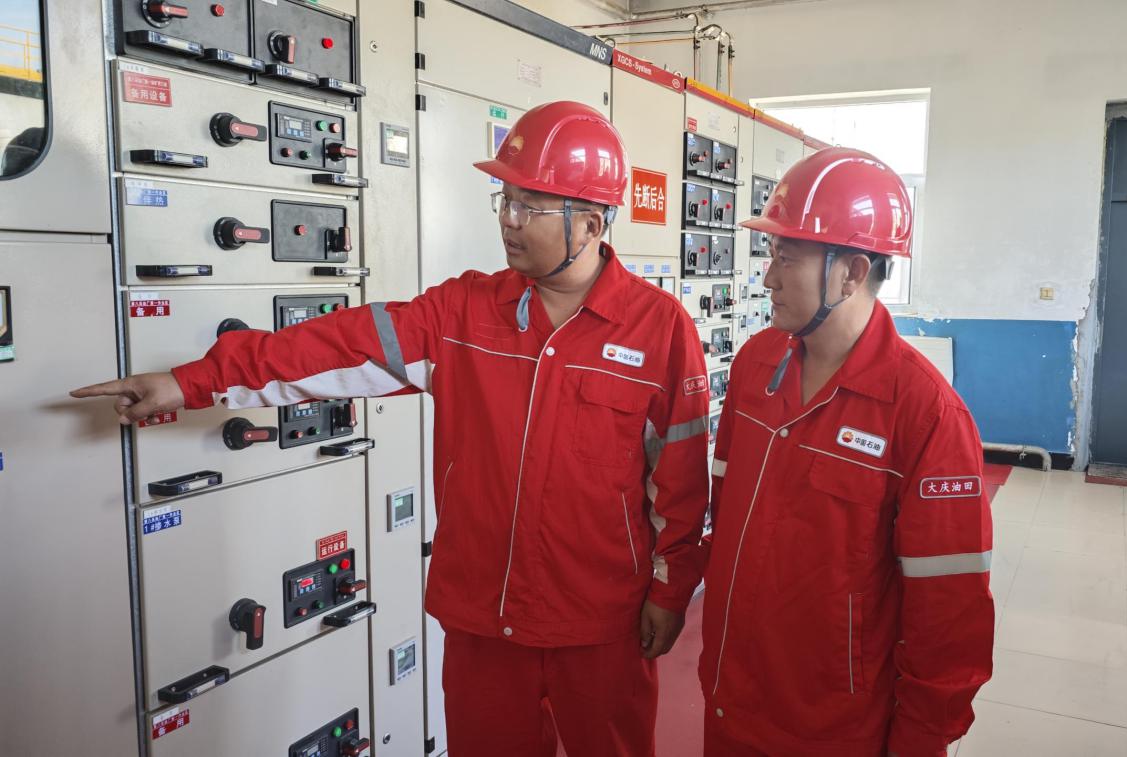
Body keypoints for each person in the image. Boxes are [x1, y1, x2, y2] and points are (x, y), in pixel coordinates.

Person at [72, 101, 711, 757]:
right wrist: (192, 381)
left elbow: (681, 480)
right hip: (483, 618)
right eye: (505, 199)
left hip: (600, 623)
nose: (508, 219)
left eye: (530, 205)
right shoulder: (461, 313)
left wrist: (671, 591)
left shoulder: (659, 328)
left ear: (592, 222)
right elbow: (332, 347)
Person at [699, 147, 994, 757]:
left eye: (787, 258)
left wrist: (921, 737)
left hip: (834, 726)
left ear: (852, 272)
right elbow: (726, 517)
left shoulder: (925, 413)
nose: (768, 277)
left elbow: (949, 607)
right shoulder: (755, 366)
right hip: (730, 697)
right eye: (770, 254)